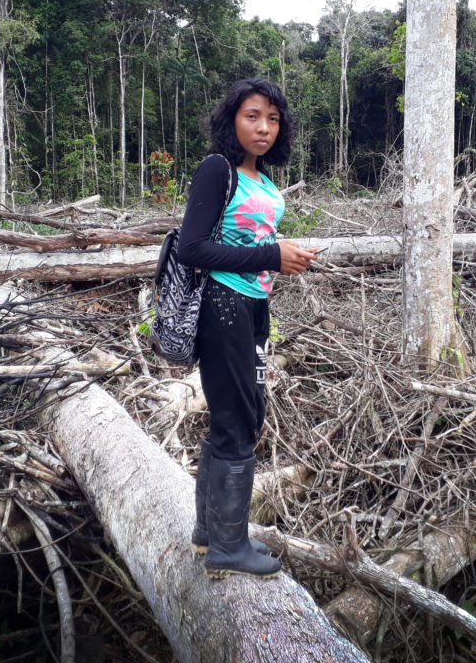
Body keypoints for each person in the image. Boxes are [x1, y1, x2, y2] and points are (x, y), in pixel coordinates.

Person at [178, 77, 317, 579]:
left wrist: (284, 253)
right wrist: (272, 255)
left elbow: (255, 242)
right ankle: (229, 547)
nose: (263, 127)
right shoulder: (217, 169)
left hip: (255, 305)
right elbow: (191, 247)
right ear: (232, 120)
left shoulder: (260, 180)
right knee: (239, 422)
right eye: (252, 116)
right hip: (223, 304)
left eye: (273, 119)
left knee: (237, 416)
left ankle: (207, 534)